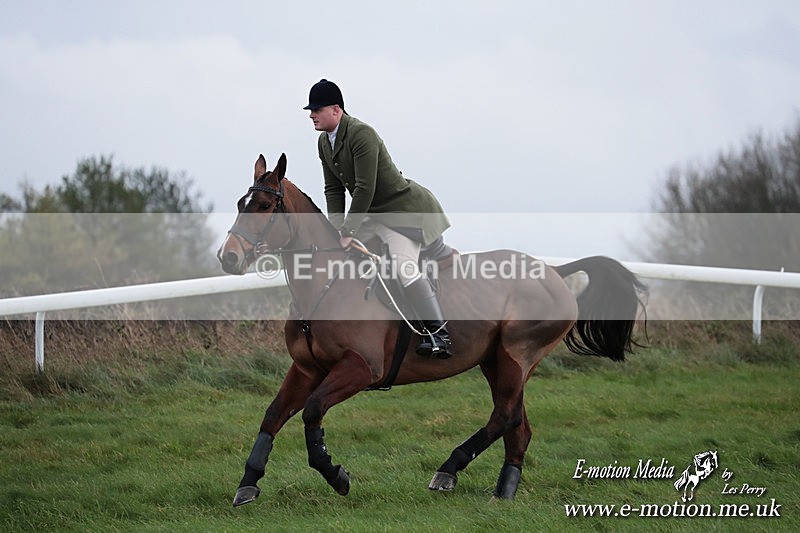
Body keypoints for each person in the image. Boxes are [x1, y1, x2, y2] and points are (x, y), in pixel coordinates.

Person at [303, 79, 452, 358]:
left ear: (336, 110)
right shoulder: (324, 142)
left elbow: (364, 188)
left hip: (404, 212)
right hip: (372, 214)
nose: (311, 115)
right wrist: (337, 230)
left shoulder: (362, 134)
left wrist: (349, 228)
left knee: (403, 266)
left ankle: (439, 334)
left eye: (317, 109)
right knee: (343, 259)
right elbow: (333, 189)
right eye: (310, 110)